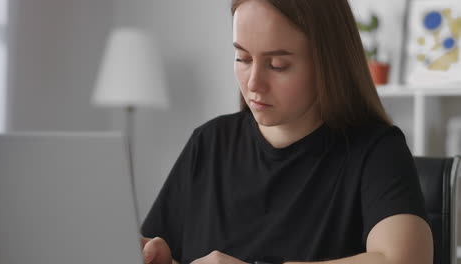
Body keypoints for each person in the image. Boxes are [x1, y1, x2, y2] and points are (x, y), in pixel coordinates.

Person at [139, 0, 433, 263]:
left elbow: (404, 259)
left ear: (328, 63)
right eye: (242, 58)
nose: (253, 83)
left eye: (278, 65)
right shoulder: (209, 141)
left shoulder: (377, 150)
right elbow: (157, 248)